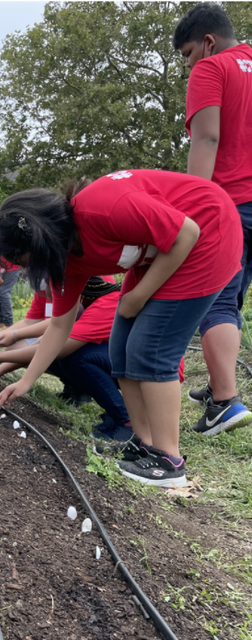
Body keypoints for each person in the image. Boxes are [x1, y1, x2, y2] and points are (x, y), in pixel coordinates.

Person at [0, 170, 242, 488]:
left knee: (151, 346)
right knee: (120, 344)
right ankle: (145, 442)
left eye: (23, 259)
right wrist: (26, 381)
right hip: (162, 253)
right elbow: (59, 326)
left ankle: (169, 461)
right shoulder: (65, 261)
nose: (25, 268)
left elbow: (186, 233)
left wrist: (137, 297)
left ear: (40, 238)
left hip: (208, 232)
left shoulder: (104, 207)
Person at [174, 3, 252, 435]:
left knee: (216, 296)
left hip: (232, 202)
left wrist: (194, 210)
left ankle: (225, 401)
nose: (188, 66)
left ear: (207, 41)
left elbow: (207, 136)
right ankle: (220, 382)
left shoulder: (212, 69)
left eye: (187, 54)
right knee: (236, 294)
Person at [0, 277, 136, 441]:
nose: (60, 311)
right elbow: (45, 343)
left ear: (78, 296)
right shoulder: (89, 302)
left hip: (145, 368)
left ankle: (126, 421)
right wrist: (0, 369)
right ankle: (115, 413)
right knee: (64, 357)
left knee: (77, 359)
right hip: (125, 358)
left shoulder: (104, 306)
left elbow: (56, 350)